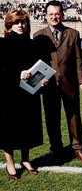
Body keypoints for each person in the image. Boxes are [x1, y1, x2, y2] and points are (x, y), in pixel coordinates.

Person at [33, 0, 82, 164]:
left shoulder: (73, 33)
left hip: (70, 83)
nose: (54, 17)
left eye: (57, 13)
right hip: (49, 85)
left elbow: (78, 58)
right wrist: (36, 82)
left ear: (62, 15)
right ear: (45, 15)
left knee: (74, 117)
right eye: (50, 14)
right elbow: (37, 62)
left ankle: (78, 148)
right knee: (52, 118)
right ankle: (56, 149)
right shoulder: (38, 35)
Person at [0, 9, 45, 179]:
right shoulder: (2, 44)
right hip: (8, 94)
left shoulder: (32, 45)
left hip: (28, 93)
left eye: (23, 22)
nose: (21, 25)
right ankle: (10, 163)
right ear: (9, 25)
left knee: (28, 128)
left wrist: (41, 80)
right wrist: (18, 74)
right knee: (8, 129)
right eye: (17, 22)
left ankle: (26, 159)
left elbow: (38, 68)